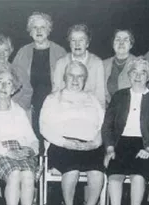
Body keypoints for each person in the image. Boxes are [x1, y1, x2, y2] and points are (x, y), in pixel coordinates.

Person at [102, 58, 149, 205]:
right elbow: (107, 126)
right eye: (134, 72)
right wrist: (110, 149)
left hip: (144, 145)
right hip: (120, 144)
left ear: (148, 76)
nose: (138, 76)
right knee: (114, 177)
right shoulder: (119, 96)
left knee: (138, 177)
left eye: (142, 73)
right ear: (129, 75)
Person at [40, 61, 105, 205]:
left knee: (97, 173)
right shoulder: (53, 98)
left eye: (80, 76)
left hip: (89, 145)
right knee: (72, 170)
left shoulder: (93, 99)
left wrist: (94, 143)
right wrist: (65, 143)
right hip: (62, 145)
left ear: (85, 79)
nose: (75, 80)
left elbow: (104, 126)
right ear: (64, 77)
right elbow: (44, 127)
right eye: (71, 76)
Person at [0, 69, 39, 205]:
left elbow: (32, 138)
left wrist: (31, 150)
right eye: (0, 82)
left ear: (13, 90)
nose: (4, 86)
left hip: (20, 151)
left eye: (9, 83)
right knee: (14, 174)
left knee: (28, 176)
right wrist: (8, 152)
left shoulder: (19, 111)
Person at [12, 12, 66, 151]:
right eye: (35, 27)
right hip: (28, 105)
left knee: (51, 142)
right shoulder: (23, 52)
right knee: (31, 141)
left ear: (49, 30)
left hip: (53, 104)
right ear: (30, 32)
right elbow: (14, 80)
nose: (39, 31)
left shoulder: (60, 52)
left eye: (43, 27)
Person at [53, 24, 105, 108]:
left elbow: (100, 97)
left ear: (87, 43)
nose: (77, 44)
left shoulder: (97, 63)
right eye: (73, 40)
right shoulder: (61, 63)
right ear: (70, 44)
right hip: (65, 109)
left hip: (89, 110)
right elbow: (56, 93)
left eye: (81, 40)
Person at [103, 29, 137, 103]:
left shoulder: (138, 64)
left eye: (125, 40)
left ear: (131, 45)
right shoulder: (103, 65)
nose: (121, 43)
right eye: (118, 39)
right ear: (113, 44)